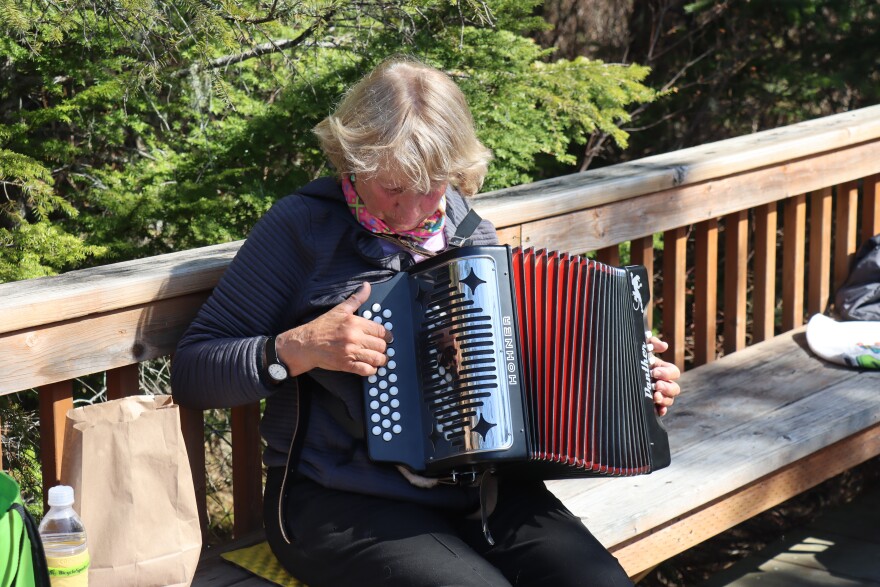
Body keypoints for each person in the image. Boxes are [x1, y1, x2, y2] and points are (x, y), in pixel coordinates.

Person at [171, 57, 681, 587]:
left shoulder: (468, 231)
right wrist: (298, 349)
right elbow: (192, 370)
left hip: (483, 493)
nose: (412, 209)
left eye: (433, 185)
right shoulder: (303, 229)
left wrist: (630, 385)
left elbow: (521, 382)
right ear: (355, 156)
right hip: (339, 502)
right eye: (394, 186)